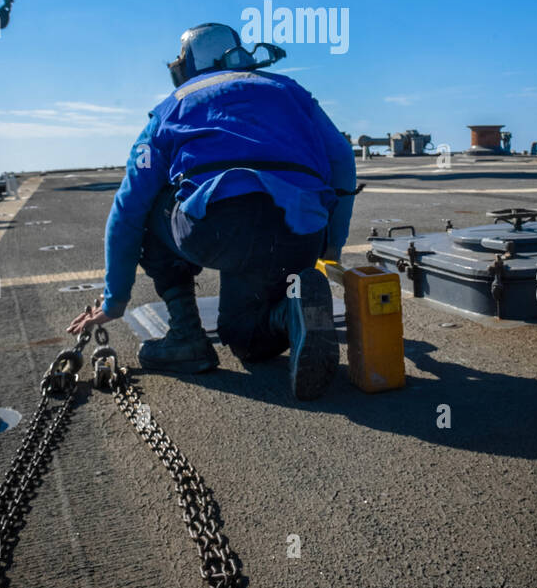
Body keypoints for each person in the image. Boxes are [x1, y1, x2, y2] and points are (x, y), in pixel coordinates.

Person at [68, 23, 358, 401]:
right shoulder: (288, 89)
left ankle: (186, 336)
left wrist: (113, 303)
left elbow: (126, 210)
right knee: (247, 341)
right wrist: (330, 246)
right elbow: (342, 159)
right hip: (301, 229)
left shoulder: (173, 104)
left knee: (151, 203)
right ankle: (292, 314)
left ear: (189, 63)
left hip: (223, 230)